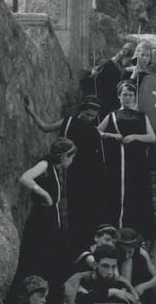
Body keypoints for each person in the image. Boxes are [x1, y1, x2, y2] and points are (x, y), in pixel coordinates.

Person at [23, 94, 106, 256]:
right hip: (65, 170)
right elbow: (45, 127)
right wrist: (32, 111)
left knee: (81, 211)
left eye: (93, 116)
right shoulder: (69, 121)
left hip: (85, 176)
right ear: (81, 110)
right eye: (88, 114)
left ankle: (78, 247)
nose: (90, 118)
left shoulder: (93, 131)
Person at [14, 137, 77, 304]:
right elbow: (25, 178)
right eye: (71, 157)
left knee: (55, 262)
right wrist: (45, 194)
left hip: (51, 219)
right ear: (64, 156)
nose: (72, 161)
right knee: (40, 260)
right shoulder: (45, 164)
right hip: (41, 220)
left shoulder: (57, 169)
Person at [98, 81, 156, 242]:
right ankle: (116, 228)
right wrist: (111, 135)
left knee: (137, 192)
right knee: (116, 192)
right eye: (124, 94)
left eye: (131, 95)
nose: (127, 98)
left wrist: (134, 137)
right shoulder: (113, 115)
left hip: (137, 160)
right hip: (117, 159)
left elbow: (152, 137)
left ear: (134, 97)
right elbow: (96, 132)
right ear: (119, 96)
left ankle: (137, 231)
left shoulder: (142, 116)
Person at [116, 226, 156, 304]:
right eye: (124, 251)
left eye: (130, 252)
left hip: (144, 292)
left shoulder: (142, 253)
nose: (126, 255)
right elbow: (125, 282)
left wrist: (143, 286)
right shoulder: (116, 256)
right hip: (128, 294)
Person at [90, 41, 136, 118]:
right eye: (129, 61)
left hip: (113, 101)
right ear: (123, 57)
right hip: (106, 102)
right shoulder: (110, 66)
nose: (130, 64)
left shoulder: (119, 67)